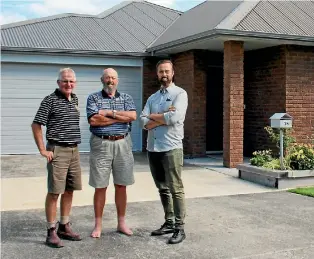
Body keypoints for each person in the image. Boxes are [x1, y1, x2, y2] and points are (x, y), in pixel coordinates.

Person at [31, 68, 82, 248]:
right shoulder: (49, 100)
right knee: (54, 192)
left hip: (74, 151)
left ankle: (64, 225)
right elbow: (36, 124)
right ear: (58, 82)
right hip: (57, 151)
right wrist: (43, 150)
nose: (68, 84)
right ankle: (51, 230)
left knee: (69, 190)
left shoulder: (74, 98)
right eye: (65, 81)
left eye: (71, 81)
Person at [140, 60, 188, 244]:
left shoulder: (180, 94)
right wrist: (162, 118)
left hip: (171, 148)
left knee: (175, 189)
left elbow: (175, 117)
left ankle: (179, 227)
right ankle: (168, 222)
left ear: (173, 73)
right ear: (157, 74)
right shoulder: (152, 98)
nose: (164, 74)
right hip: (153, 148)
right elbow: (142, 122)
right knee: (162, 188)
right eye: (161, 71)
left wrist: (152, 117)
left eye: (167, 71)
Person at [86, 68, 137, 238]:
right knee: (100, 186)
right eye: (107, 77)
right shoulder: (93, 98)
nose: (110, 81)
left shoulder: (126, 98)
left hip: (123, 143)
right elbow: (94, 120)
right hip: (101, 144)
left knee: (121, 185)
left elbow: (133, 116)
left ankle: (121, 223)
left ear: (118, 80)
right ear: (102, 79)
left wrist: (108, 113)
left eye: (113, 78)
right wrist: (120, 117)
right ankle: (98, 225)